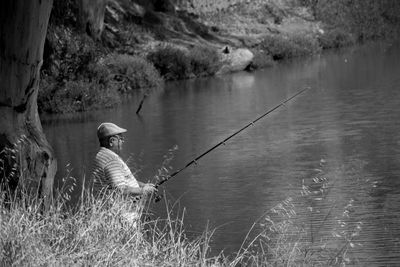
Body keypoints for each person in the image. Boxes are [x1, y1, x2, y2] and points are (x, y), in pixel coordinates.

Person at [91, 122, 157, 198]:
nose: (123, 141)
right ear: (111, 141)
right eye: (121, 139)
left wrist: (143, 185)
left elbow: (123, 180)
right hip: (119, 208)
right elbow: (121, 190)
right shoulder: (111, 161)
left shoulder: (101, 155)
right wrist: (143, 190)